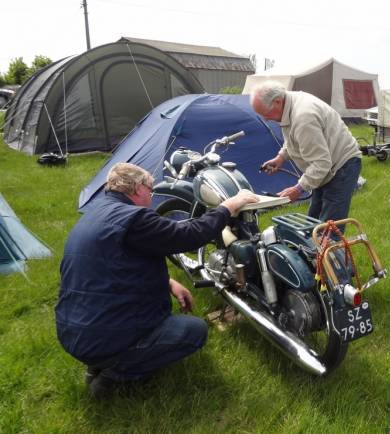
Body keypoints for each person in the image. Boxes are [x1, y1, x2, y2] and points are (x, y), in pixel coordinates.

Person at [55, 163, 258, 398]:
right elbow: (188, 236)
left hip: (73, 329)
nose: (151, 198)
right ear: (138, 188)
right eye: (150, 190)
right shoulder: (135, 218)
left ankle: (99, 362)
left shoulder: (97, 214)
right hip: (102, 334)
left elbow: (116, 264)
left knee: (148, 325)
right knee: (194, 331)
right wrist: (229, 206)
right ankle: (114, 376)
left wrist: (169, 282)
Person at [251, 81, 362, 225]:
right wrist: (281, 157)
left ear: (277, 101)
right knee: (313, 223)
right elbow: (294, 137)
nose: (265, 119)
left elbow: (322, 163)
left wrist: (298, 189)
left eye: (265, 114)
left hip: (341, 165)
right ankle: (314, 246)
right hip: (325, 165)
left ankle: (332, 247)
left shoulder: (303, 117)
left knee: (329, 230)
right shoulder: (287, 103)